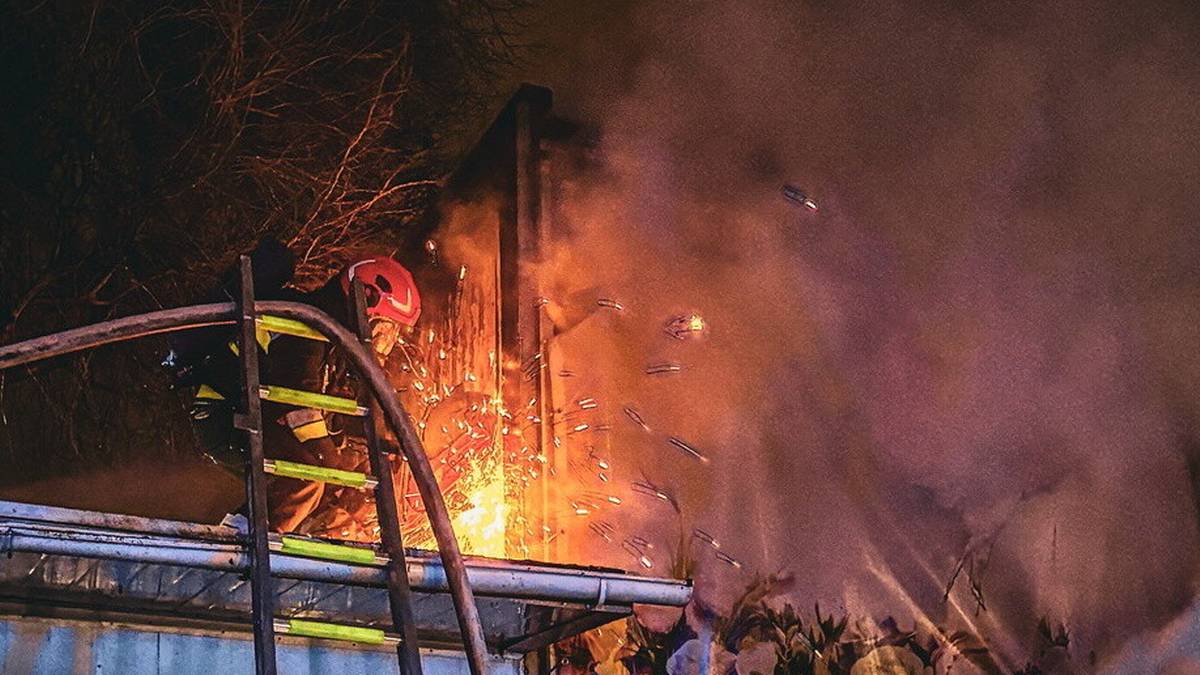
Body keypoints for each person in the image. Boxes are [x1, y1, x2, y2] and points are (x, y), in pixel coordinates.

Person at [163, 238, 422, 534]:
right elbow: (299, 402)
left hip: (246, 411)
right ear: (364, 301)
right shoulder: (306, 325)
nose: (383, 342)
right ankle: (243, 540)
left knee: (318, 482)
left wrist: (383, 443)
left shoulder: (328, 333)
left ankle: (292, 545)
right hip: (226, 412)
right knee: (305, 477)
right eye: (384, 328)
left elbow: (331, 406)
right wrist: (330, 459)